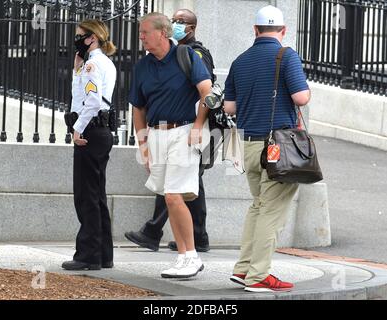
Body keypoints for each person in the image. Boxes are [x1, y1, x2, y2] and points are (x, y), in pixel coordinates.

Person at [224, 5, 311, 292]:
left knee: (258, 206)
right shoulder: (287, 56)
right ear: (283, 31)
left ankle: (244, 269)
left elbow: (230, 107)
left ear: (255, 30)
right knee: (271, 211)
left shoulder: (240, 61)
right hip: (277, 147)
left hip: (248, 144)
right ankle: (259, 275)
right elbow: (301, 97)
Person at [125, 9, 216, 253]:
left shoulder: (191, 54)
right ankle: (191, 239)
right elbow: (138, 108)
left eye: (145, 32)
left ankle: (189, 252)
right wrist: (143, 145)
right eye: (140, 33)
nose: (141, 37)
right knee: (173, 195)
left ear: (162, 33)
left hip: (184, 133)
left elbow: (207, 92)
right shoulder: (143, 66)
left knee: (175, 194)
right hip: (157, 135)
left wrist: (197, 126)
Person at [62, 19, 117, 271]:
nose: (76, 40)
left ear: (91, 38)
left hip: (90, 132)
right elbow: (86, 95)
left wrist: (77, 128)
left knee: (86, 196)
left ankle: (88, 255)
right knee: (97, 195)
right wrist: (76, 71)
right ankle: (103, 254)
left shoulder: (93, 64)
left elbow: (92, 101)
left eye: (79, 35)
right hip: (100, 131)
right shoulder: (101, 63)